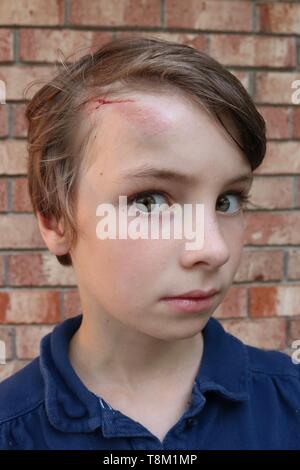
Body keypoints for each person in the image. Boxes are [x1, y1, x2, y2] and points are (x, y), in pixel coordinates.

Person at [0, 36, 299, 450]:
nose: (213, 249)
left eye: (227, 200)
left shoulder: (291, 404)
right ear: (55, 220)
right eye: (151, 200)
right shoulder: (11, 431)